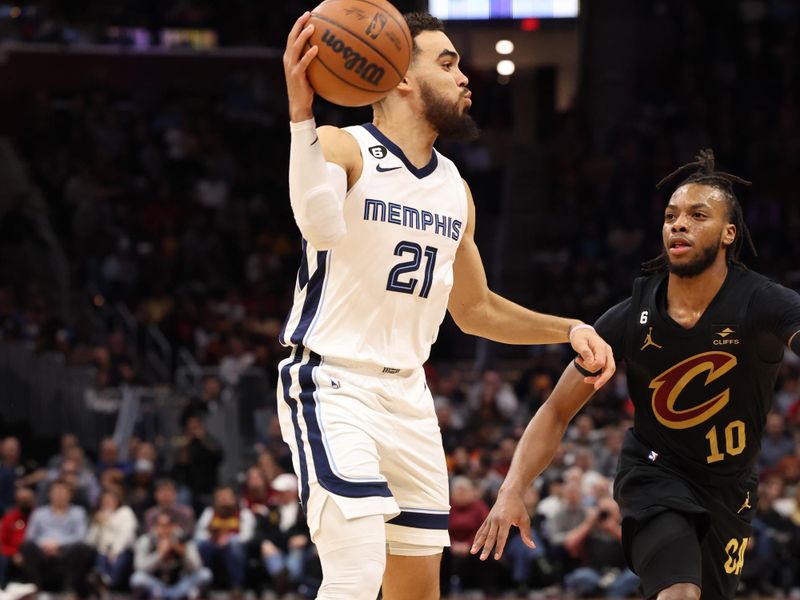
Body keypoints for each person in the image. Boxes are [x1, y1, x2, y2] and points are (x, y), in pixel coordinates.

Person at [280, 10, 615, 599]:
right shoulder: (341, 146)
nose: (466, 77)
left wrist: (569, 329)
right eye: (448, 62)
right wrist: (302, 116)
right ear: (399, 77)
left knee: (417, 591)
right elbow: (320, 224)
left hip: (409, 397)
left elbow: (476, 309)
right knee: (355, 572)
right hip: (333, 384)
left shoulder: (454, 187)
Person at [472, 150, 800, 600]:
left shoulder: (760, 302)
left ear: (729, 233)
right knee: (679, 592)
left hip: (730, 489)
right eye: (671, 215)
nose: (678, 224)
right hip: (653, 474)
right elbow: (555, 410)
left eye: (697, 215)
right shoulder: (632, 316)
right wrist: (513, 488)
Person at [130, 511, 212, 600]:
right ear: (156, 527)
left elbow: (197, 566)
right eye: (161, 526)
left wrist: (183, 553)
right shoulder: (146, 541)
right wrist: (159, 555)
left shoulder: (183, 540)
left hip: (180, 585)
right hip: (157, 586)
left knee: (205, 574)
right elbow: (139, 567)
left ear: (174, 527)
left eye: (167, 526)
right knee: (137, 578)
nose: (164, 530)